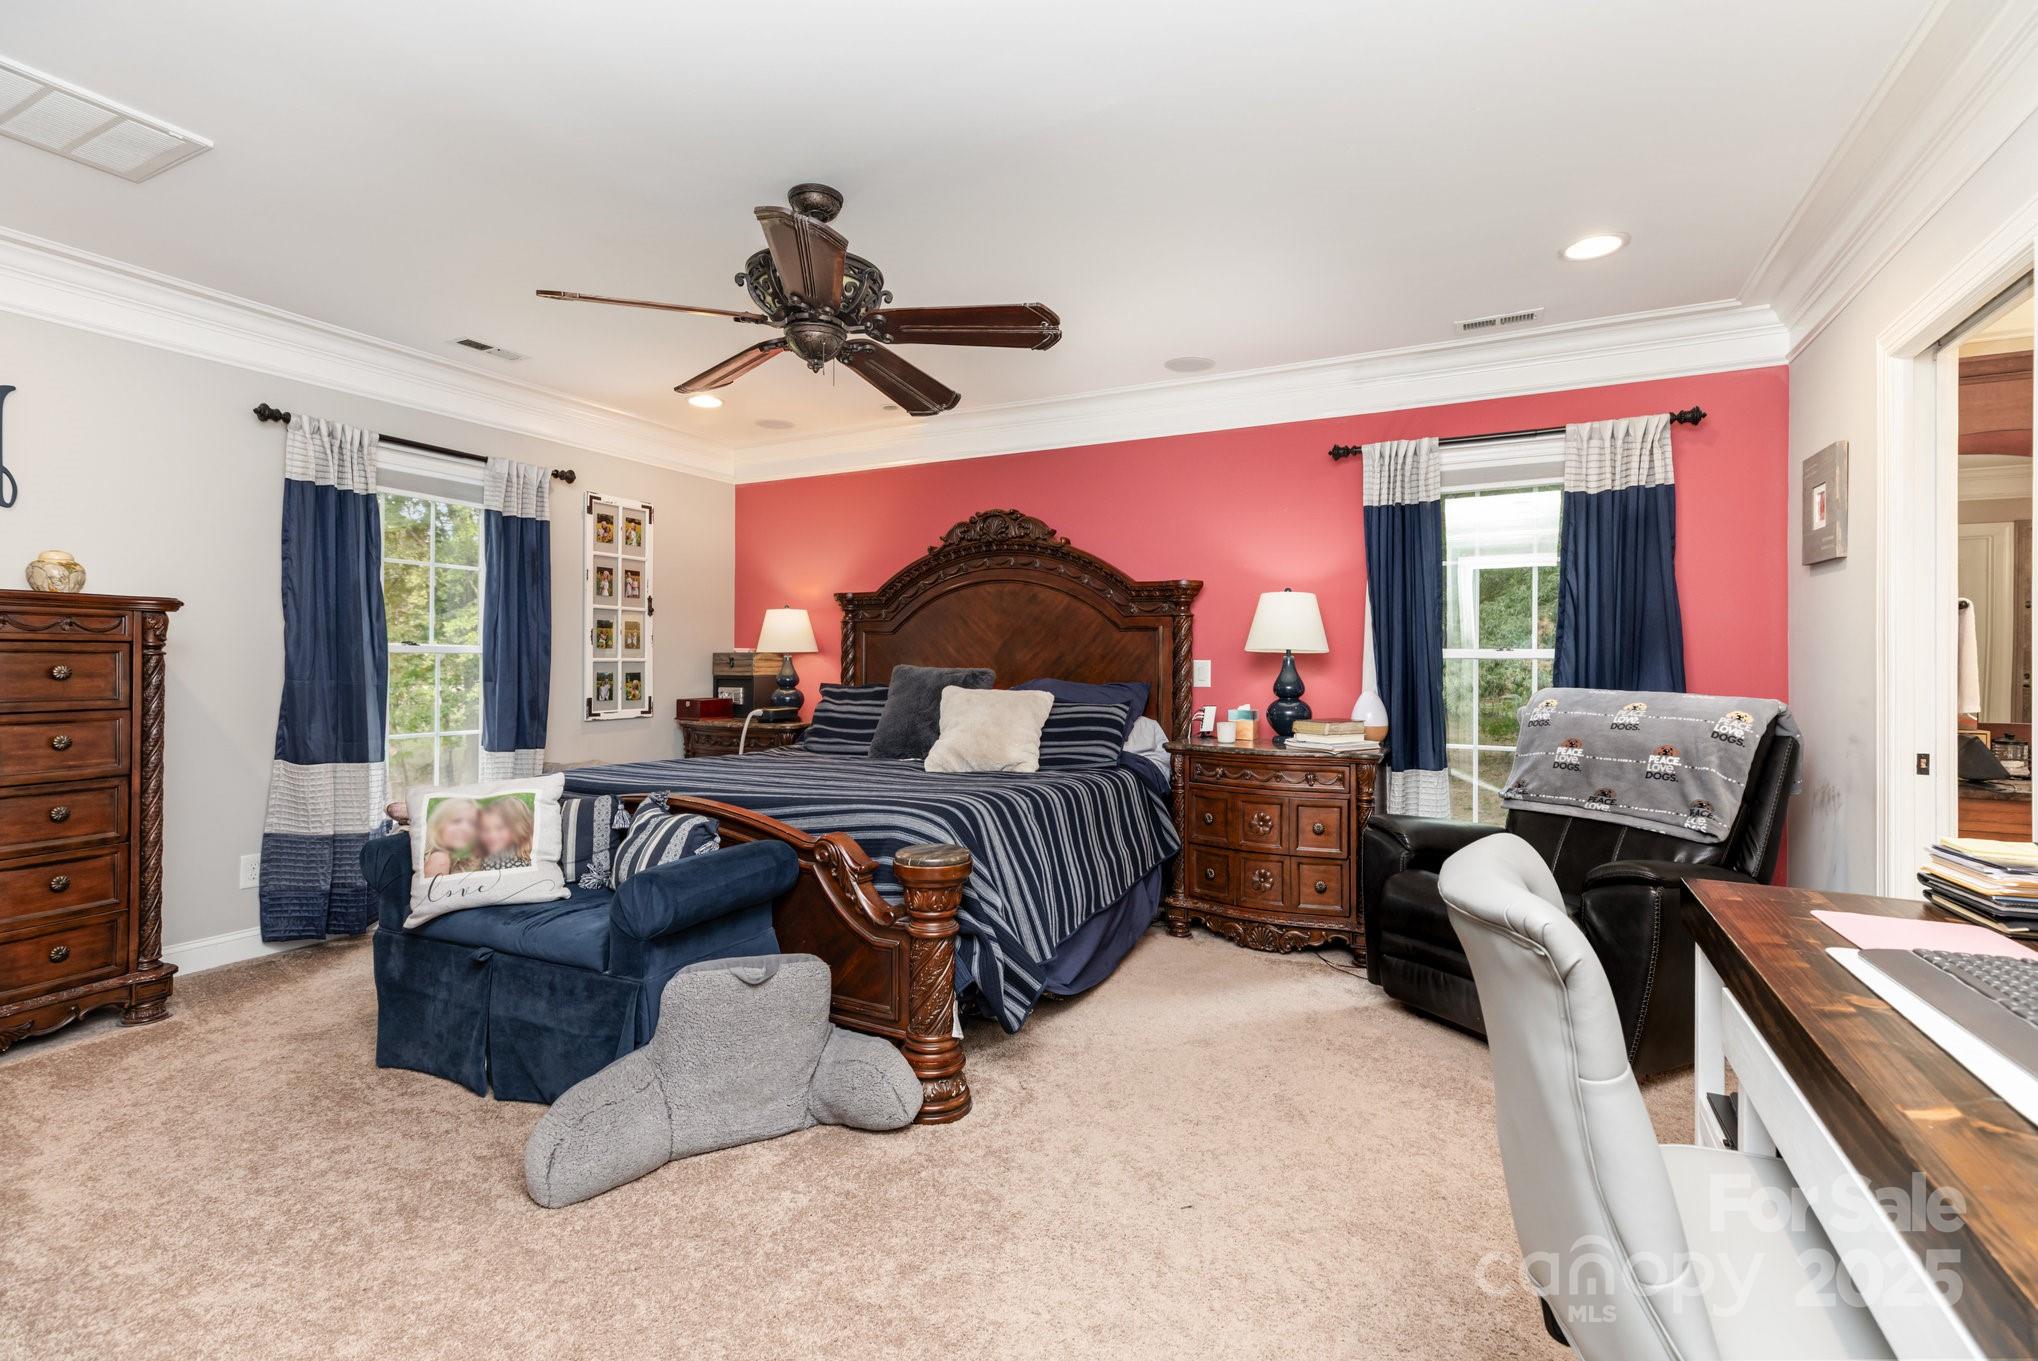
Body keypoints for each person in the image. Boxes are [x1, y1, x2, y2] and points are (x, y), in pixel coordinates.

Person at [422, 797, 481, 877]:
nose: (465, 828)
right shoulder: (440, 860)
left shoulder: (448, 857)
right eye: (456, 821)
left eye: (472, 823)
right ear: (439, 825)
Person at [476, 797, 535, 870]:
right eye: (486, 829)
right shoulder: (486, 857)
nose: (492, 835)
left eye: (499, 828)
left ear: (517, 829)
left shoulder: (522, 863)